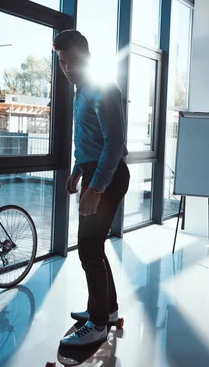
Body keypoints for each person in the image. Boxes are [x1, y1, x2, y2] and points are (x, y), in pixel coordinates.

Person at [53, 30, 130, 347]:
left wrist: (95, 188)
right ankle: (107, 311)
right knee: (93, 247)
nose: (67, 67)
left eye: (73, 60)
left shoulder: (102, 89)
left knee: (87, 248)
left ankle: (98, 324)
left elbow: (114, 145)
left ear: (86, 57)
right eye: (62, 61)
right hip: (91, 171)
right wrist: (76, 171)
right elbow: (88, 139)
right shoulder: (81, 91)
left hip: (108, 176)